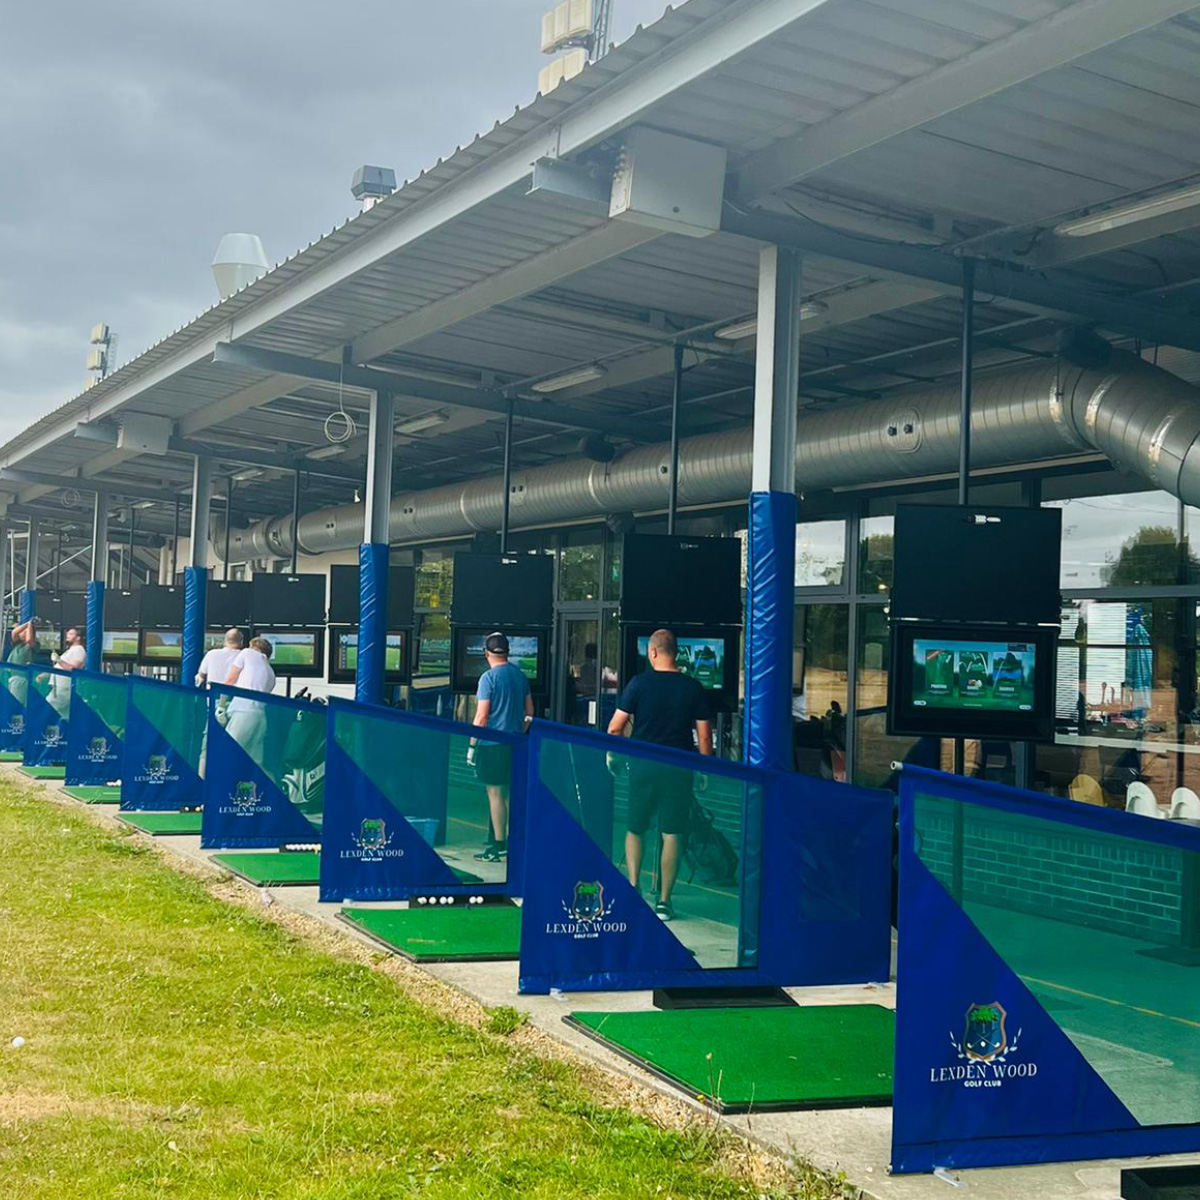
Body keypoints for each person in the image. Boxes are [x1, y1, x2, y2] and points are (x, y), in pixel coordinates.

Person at [607, 628, 713, 921]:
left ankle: (633, 887)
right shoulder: (693, 687)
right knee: (673, 833)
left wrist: (613, 755)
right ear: (676, 652)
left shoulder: (639, 684)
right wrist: (704, 769)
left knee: (635, 827)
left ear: (652, 652)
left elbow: (615, 728)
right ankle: (665, 901)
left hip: (643, 766)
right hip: (679, 768)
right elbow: (704, 737)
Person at [468, 631, 533, 864]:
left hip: (491, 744)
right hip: (514, 743)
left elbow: (482, 716)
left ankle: (498, 845)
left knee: (495, 794)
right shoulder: (520, 676)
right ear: (507, 652)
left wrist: (472, 745)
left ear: (486, 653)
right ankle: (512, 841)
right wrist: (518, 734)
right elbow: (530, 714)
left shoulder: (488, 678)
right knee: (509, 795)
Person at [222, 636, 276, 760]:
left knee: (227, 752)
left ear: (253, 646)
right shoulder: (271, 672)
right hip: (260, 718)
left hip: (243, 712)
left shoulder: (247, 653)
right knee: (255, 763)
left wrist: (221, 704)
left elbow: (231, 679)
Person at [49, 627, 86, 719]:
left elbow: (73, 668)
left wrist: (59, 660)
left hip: (64, 689)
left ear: (78, 638)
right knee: (65, 717)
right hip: (58, 688)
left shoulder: (79, 650)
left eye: (71, 634)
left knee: (47, 708)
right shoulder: (70, 650)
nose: (67, 635)